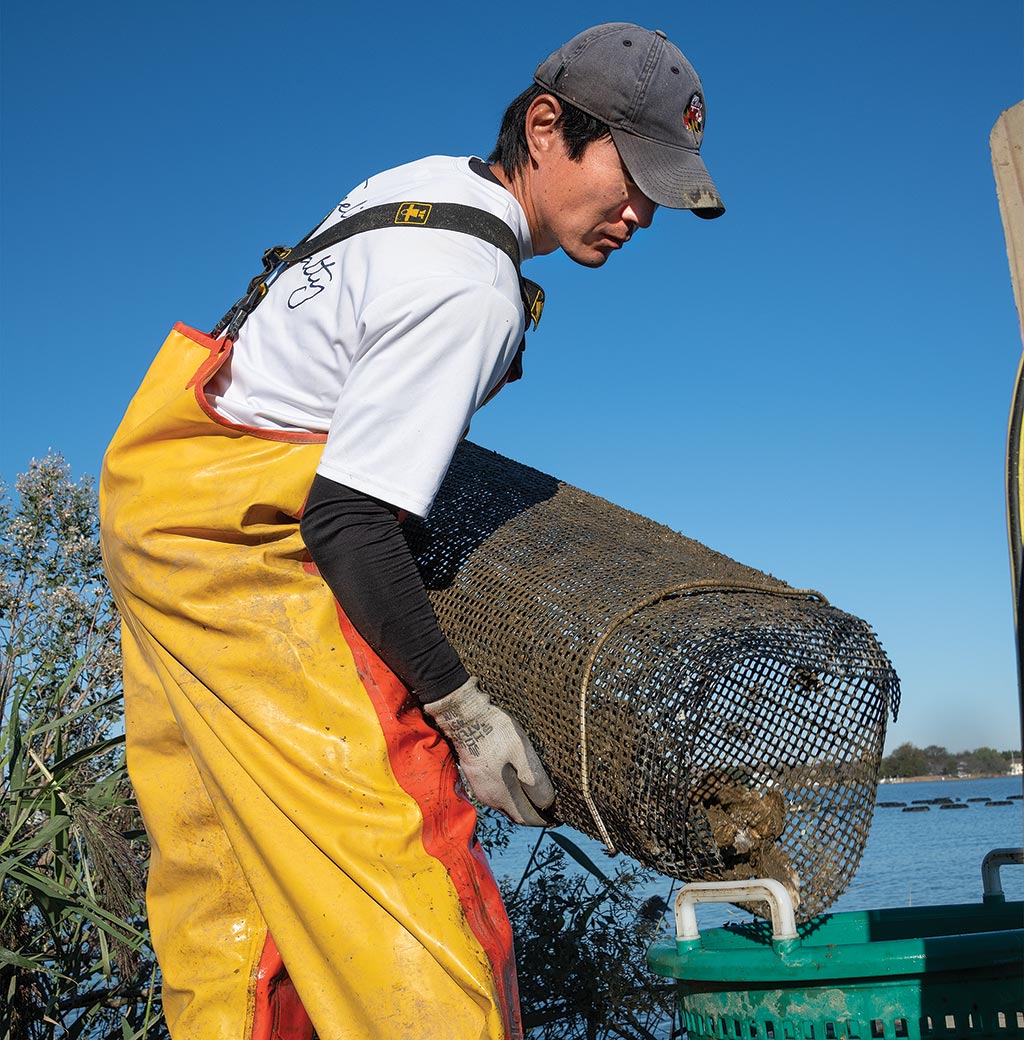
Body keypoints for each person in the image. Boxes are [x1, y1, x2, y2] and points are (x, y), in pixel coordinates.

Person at [100, 21, 723, 1040]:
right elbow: (345, 521)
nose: (641, 211)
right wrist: (465, 710)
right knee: (412, 889)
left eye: (659, 189)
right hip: (240, 556)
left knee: (235, 894)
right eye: (632, 174)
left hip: (156, 506)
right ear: (545, 124)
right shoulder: (470, 286)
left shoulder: (421, 185)